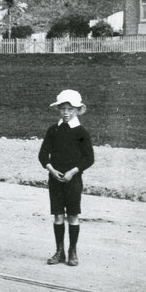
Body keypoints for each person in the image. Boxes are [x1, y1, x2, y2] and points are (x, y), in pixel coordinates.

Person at [38, 89, 94, 267]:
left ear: (77, 110)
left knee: (73, 215)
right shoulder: (53, 130)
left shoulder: (81, 132)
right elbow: (43, 154)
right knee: (58, 216)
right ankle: (59, 250)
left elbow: (89, 158)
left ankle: (72, 251)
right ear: (58, 110)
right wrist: (51, 169)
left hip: (73, 179)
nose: (66, 112)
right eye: (62, 108)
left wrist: (73, 172)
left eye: (70, 109)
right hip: (55, 179)